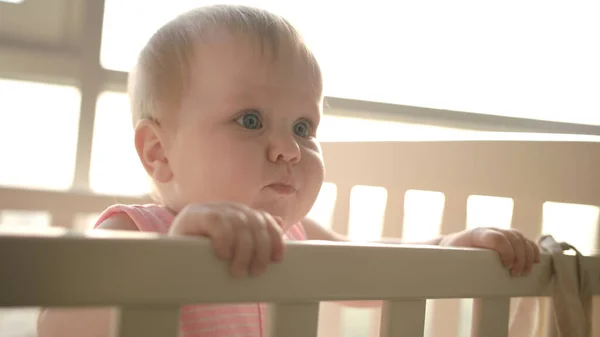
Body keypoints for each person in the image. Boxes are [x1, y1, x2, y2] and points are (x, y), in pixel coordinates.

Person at [37, 4, 540, 337]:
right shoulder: (136, 231)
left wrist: (448, 246)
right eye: (250, 120)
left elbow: (372, 272)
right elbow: (59, 319)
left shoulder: (294, 235)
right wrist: (175, 252)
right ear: (158, 153)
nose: (290, 150)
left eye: (304, 126)